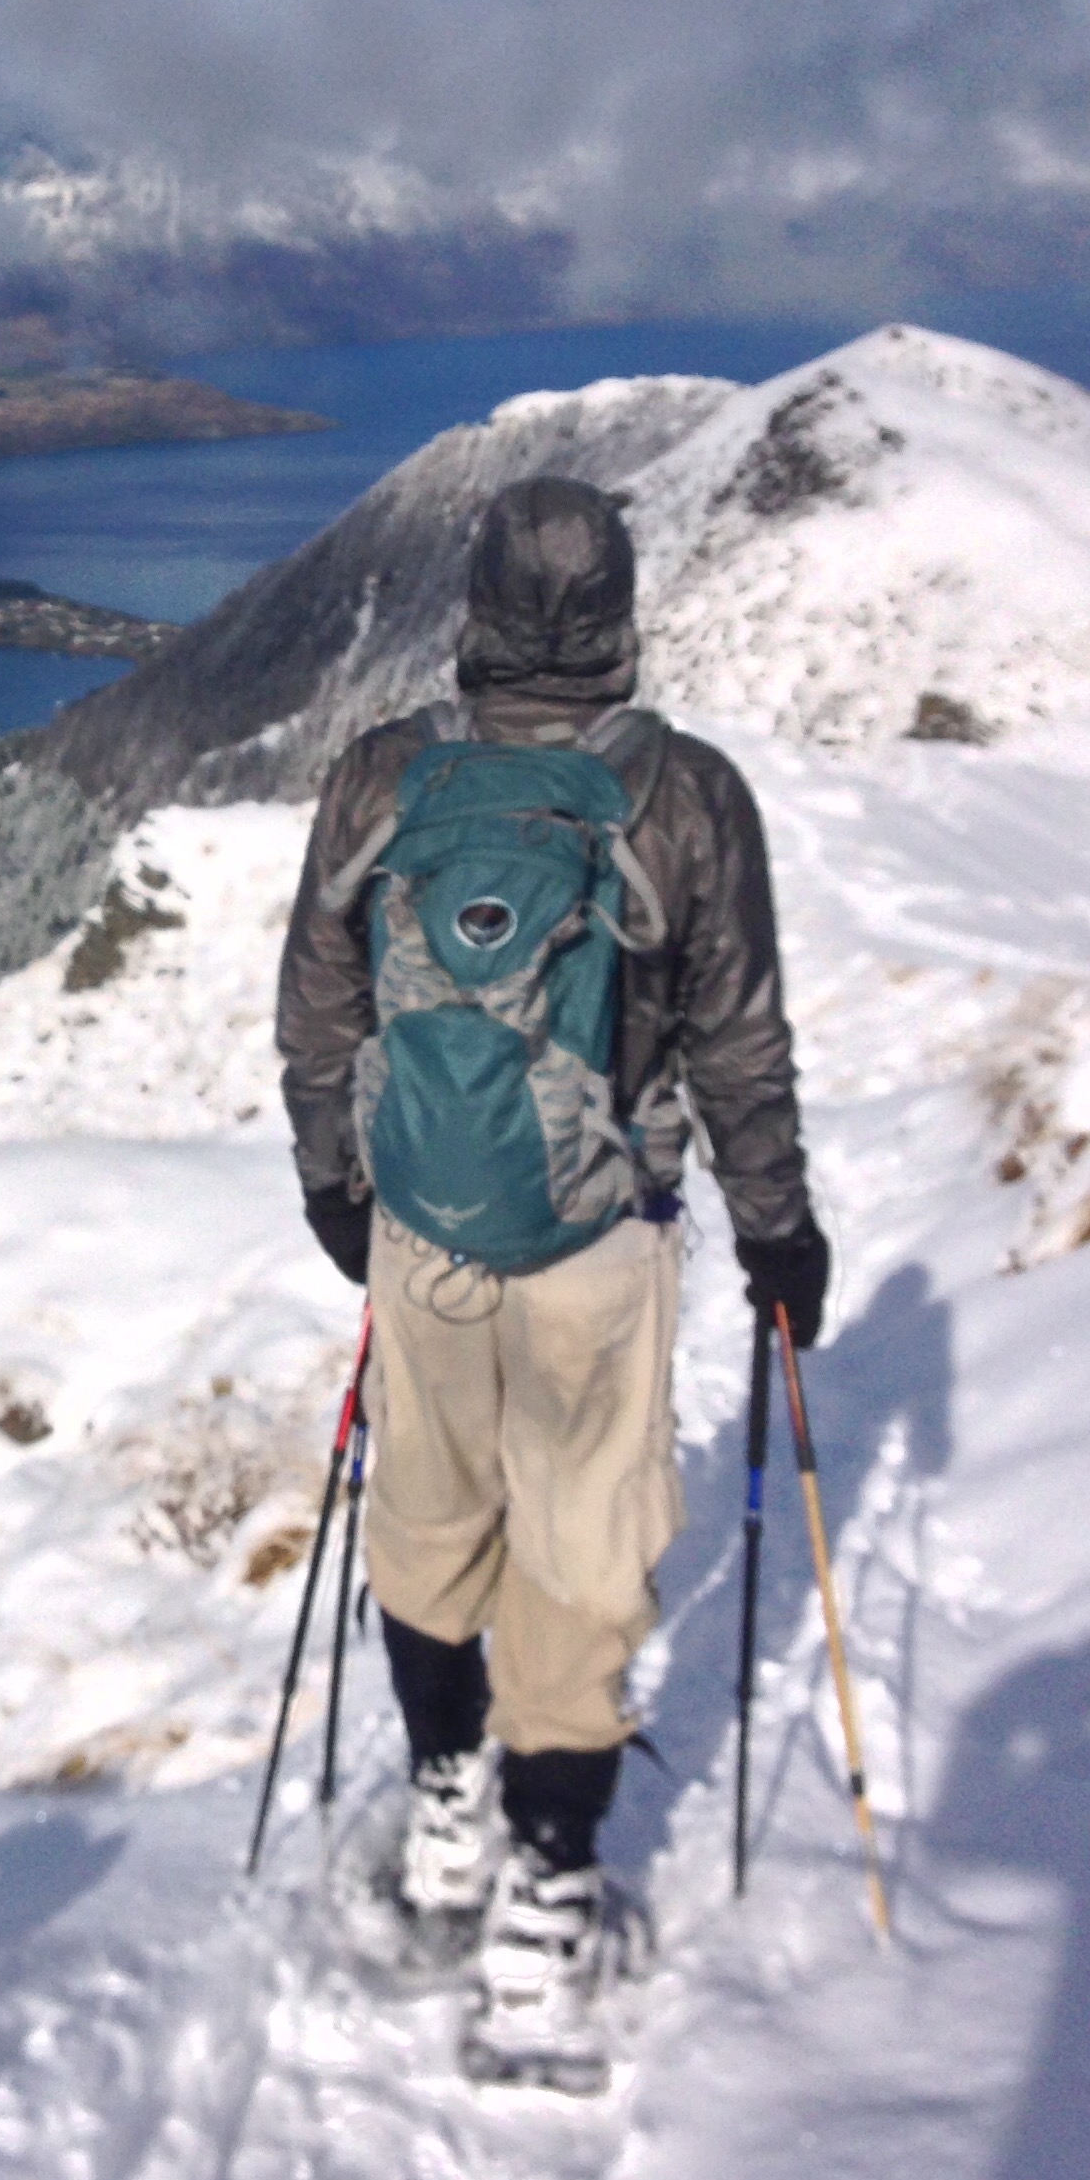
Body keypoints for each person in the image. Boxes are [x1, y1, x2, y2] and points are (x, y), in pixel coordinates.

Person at [274, 473, 827, 2077]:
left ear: (473, 608)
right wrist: (777, 1231)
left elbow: (318, 1007)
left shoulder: (385, 774)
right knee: (580, 1555)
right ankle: (546, 1892)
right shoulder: (685, 795)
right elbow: (736, 1040)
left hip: (424, 1234)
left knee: (430, 1519)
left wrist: (336, 1184)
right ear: (621, 618)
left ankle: (445, 1806)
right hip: (600, 1242)